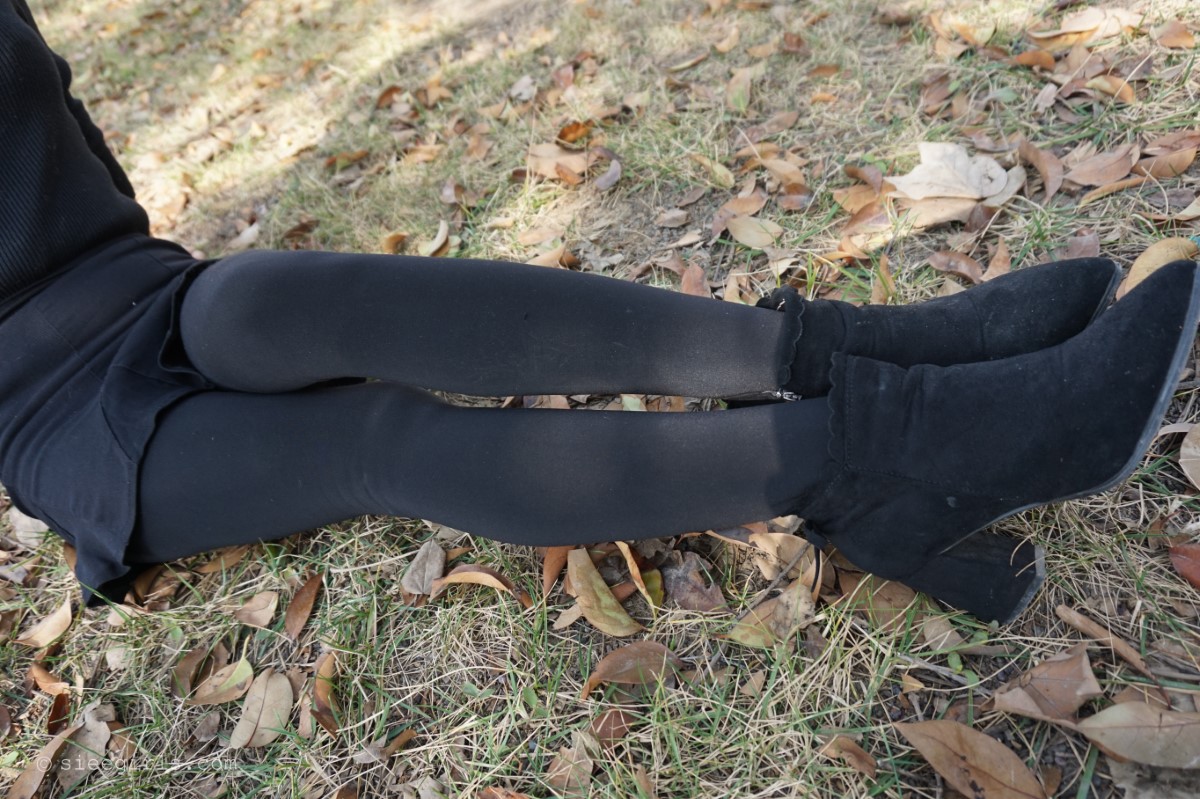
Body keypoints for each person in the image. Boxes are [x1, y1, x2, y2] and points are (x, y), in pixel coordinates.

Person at [2, 0, 1197, 627]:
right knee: (376, 434)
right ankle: (911, 448)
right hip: (45, 413)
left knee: (265, 294)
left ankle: (865, 354)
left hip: (137, 290)